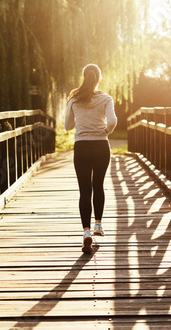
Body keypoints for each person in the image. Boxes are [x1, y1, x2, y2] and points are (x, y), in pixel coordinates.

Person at [64, 64, 117, 253]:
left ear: (83, 77)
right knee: (98, 185)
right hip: (101, 146)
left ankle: (86, 233)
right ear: (99, 79)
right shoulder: (106, 99)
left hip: (82, 147)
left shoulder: (74, 99)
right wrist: (105, 131)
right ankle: (98, 225)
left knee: (84, 190)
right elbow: (112, 122)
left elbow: (67, 126)